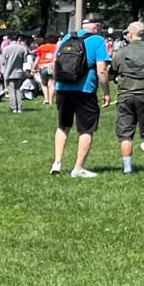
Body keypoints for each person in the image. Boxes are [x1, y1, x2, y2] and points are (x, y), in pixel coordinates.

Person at [50, 15, 109, 178]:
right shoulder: (98, 41)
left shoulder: (67, 37)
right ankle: (78, 168)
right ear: (97, 26)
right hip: (85, 90)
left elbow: (55, 62)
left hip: (63, 87)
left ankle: (57, 162)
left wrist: (56, 85)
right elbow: (102, 70)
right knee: (86, 128)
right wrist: (106, 92)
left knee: (63, 125)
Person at [109, 21, 144, 174]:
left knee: (125, 133)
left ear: (131, 34)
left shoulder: (121, 53)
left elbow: (111, 73)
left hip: (125, 96)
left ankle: (127, 168)